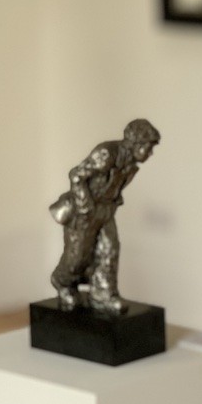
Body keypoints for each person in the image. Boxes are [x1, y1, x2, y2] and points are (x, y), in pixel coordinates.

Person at [49, 119, 161, 315]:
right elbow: (76, 176)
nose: (150, 153)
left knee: (109, 250)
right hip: (84, 212)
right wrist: (85, 207)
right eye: (148, 147)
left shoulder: (130, 164)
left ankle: (102, 295)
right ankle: (62, 282)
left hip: (106, 211)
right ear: (136, 143)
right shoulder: (107, 154)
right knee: (78, 256)